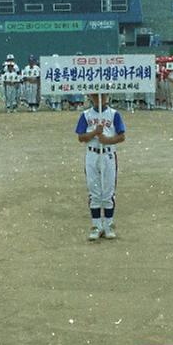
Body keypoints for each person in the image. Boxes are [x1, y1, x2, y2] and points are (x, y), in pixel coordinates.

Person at [75, 92, 125, 241]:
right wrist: (94, 133)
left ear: (107, 97)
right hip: (92, 154)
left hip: (108, 154)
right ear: (91, 97)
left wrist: (107, 140)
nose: (99, 99)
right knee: (94, 191)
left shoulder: (114, 114)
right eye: (96, 96)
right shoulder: (86, 115)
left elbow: (122, 136)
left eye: (102, 96)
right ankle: (96, 225)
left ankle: (108, 225)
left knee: (108, 191)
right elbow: (81, 137)